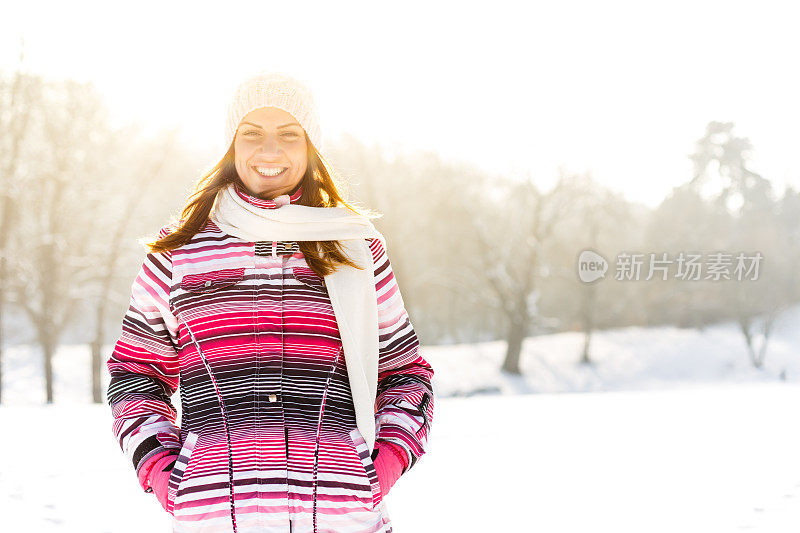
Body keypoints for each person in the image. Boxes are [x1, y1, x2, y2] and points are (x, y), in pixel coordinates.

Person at [106, 71, 435, 533]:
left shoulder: (356, 249)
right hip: (215, 517)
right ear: (231, 146)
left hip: (343, 516)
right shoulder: (178, 254)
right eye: (252, 134)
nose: (270, 151)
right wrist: (166, 475)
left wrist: (380, 466)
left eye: (289, 135)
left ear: (310, 147)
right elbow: (134, 376)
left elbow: (406, 374)